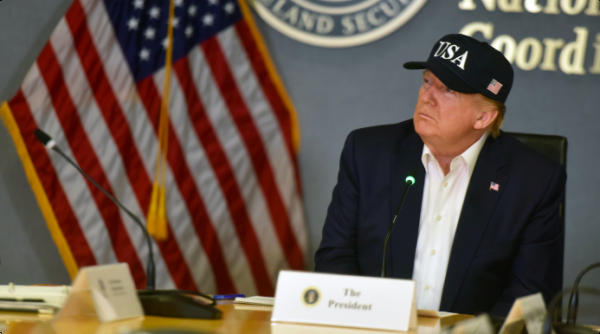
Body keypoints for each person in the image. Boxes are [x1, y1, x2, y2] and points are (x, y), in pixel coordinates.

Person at [314, 34, 566, 316]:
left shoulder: (533, 181)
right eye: (427, 81)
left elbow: (529, 295)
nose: (427, 97)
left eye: (448, 90)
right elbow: (336, 257)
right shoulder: (367, 153)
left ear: (483, 117)